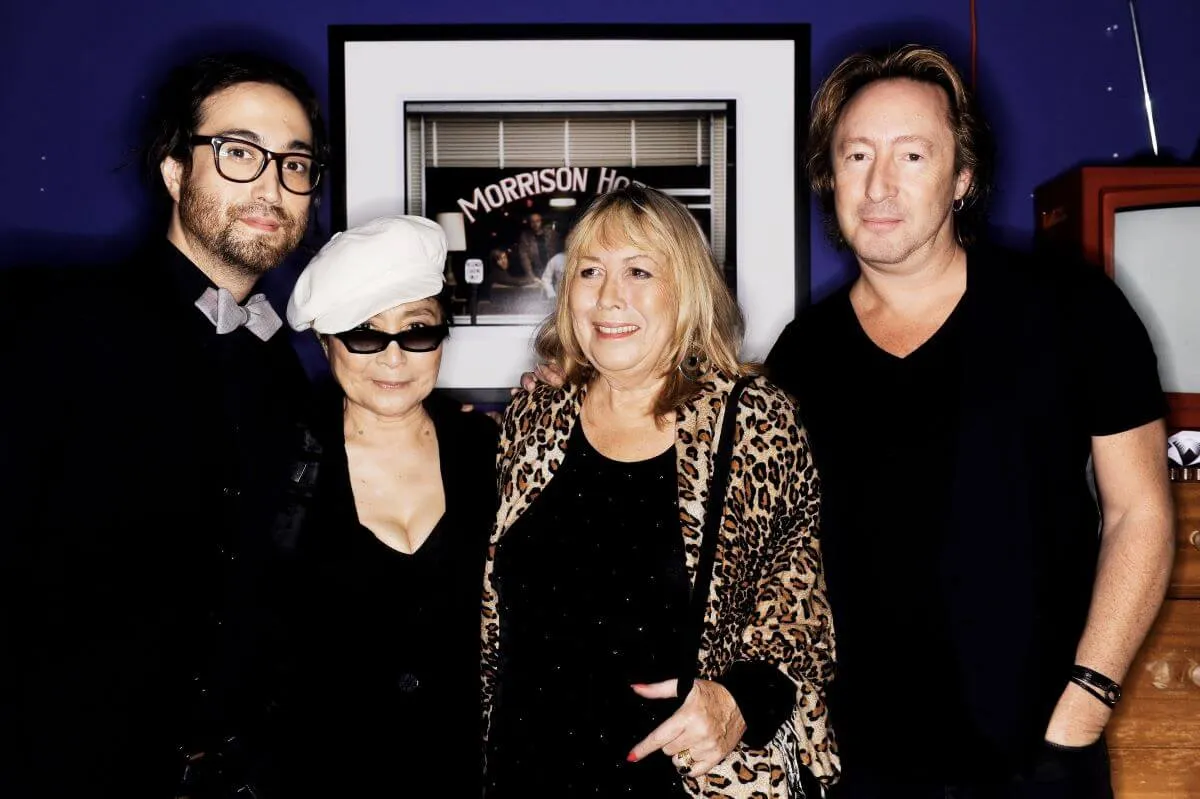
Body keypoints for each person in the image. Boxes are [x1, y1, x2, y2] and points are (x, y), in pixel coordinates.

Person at [765, 45, 1175, 796]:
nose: (879, 183)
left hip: (1036, 754)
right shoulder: (801, 357)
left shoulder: (1074, 311)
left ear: (962, 177)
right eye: (856, 155)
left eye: (911, 155)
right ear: (830, 177)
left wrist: (1084, 702)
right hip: (858, 766)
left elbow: (1140, 512)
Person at [0, 52, 328, 798]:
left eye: (295, 164)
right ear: (176, 171)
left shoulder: (283, 371)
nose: (272, 186)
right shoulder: (50, 325)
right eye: (240, 153)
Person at [482, 183, 838, 798]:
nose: (609, 295)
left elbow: (798, 602)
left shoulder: (751, 420)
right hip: (526, 773)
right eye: (589, 271)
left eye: (639, 270)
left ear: (688, 290)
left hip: (683, 781)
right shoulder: (532, 419)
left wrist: (740, 700)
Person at [271, 215, 498, 796]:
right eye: (365, 333)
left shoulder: (492, 454)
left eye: (417, 330)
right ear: (327, 344)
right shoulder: (283, 463)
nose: (393, 357)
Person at [515, 210, 562, 280]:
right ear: (530, 223)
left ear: (541, 221)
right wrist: (531, 276)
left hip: (555, 270)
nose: (535, 224)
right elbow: (524, 258)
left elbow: (560, 250)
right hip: (538, 272)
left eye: (537, 221)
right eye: (532, 222)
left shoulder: (551, 234)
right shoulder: (525, 237)